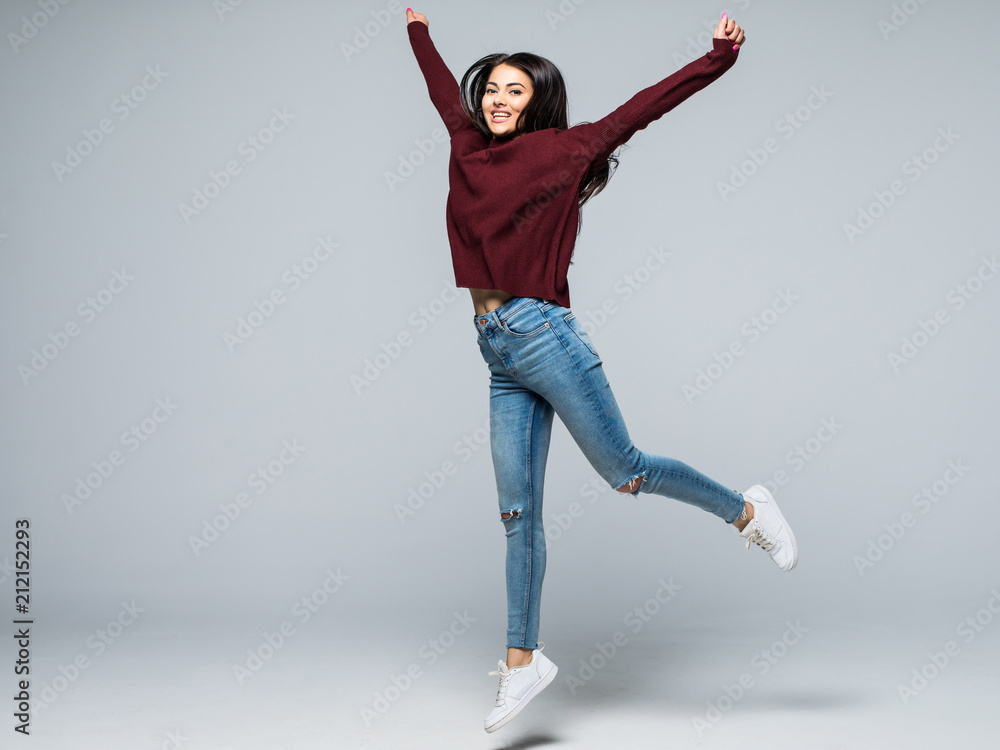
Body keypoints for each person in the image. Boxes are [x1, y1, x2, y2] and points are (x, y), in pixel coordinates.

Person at [404, 8, 797, 733]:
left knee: (627, 472)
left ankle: (747, 510)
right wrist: (418, 28)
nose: (497, 99)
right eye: (491, 88)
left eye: (515, 92)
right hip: (496, 348)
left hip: (544, 334)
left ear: (538, 103)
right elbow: (436, 86)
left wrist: (715, 60)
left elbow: (645, 107)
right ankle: (523, 665)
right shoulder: (464, 145)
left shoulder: (565, 150)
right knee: (517, 515)